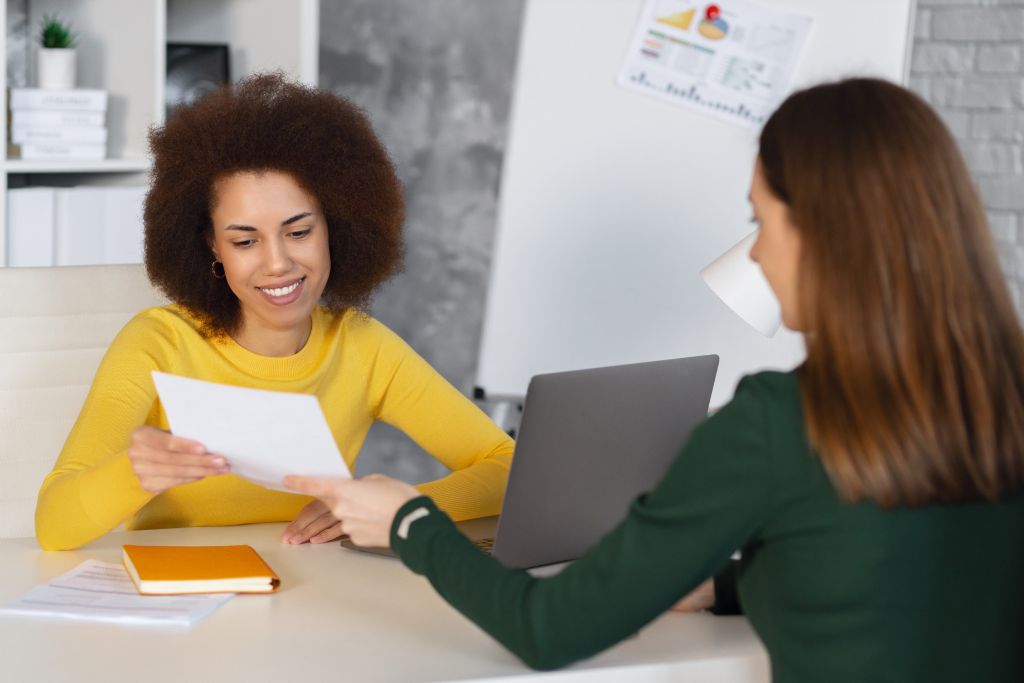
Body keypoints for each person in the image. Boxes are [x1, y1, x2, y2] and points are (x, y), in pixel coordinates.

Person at [285, 78, 1024, 681]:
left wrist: (412, 524)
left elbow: (549, 629)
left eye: (761, 223)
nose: (758, 257)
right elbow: (891, 556)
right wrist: (724, 584)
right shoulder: (1003, 395)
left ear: (821, 231)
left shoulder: (777, 422)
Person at [34, 74, 514, 551]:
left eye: (299, 232)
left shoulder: (363, 346)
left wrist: (385, 509)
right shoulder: (159, 343)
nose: (278, 263)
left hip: (314, 598)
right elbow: (54, 525)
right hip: (182, 600)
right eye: (245, 241)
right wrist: (133, 474)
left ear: (334, 226)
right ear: (213, 247)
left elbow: (508, 465)